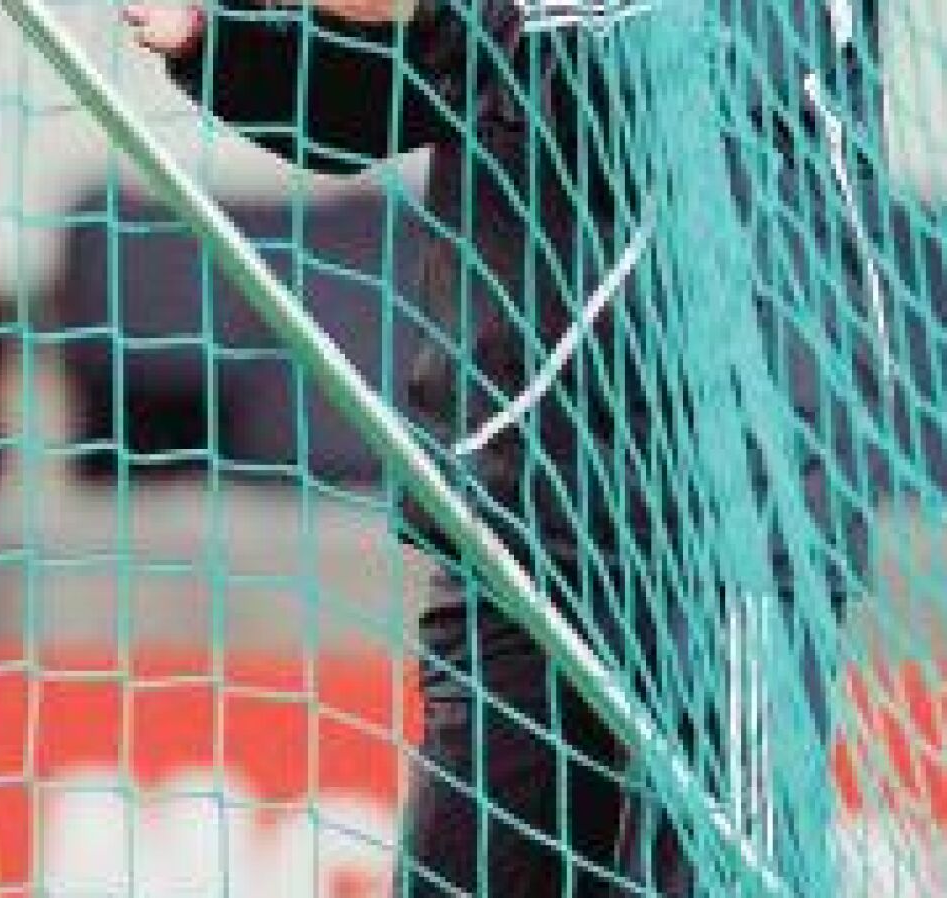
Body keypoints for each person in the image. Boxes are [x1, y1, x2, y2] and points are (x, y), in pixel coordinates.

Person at [125, 1, 886, 894]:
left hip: (732, 524)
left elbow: (625, 74)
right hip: (519, 507)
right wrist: (223, 40)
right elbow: (425, 77)